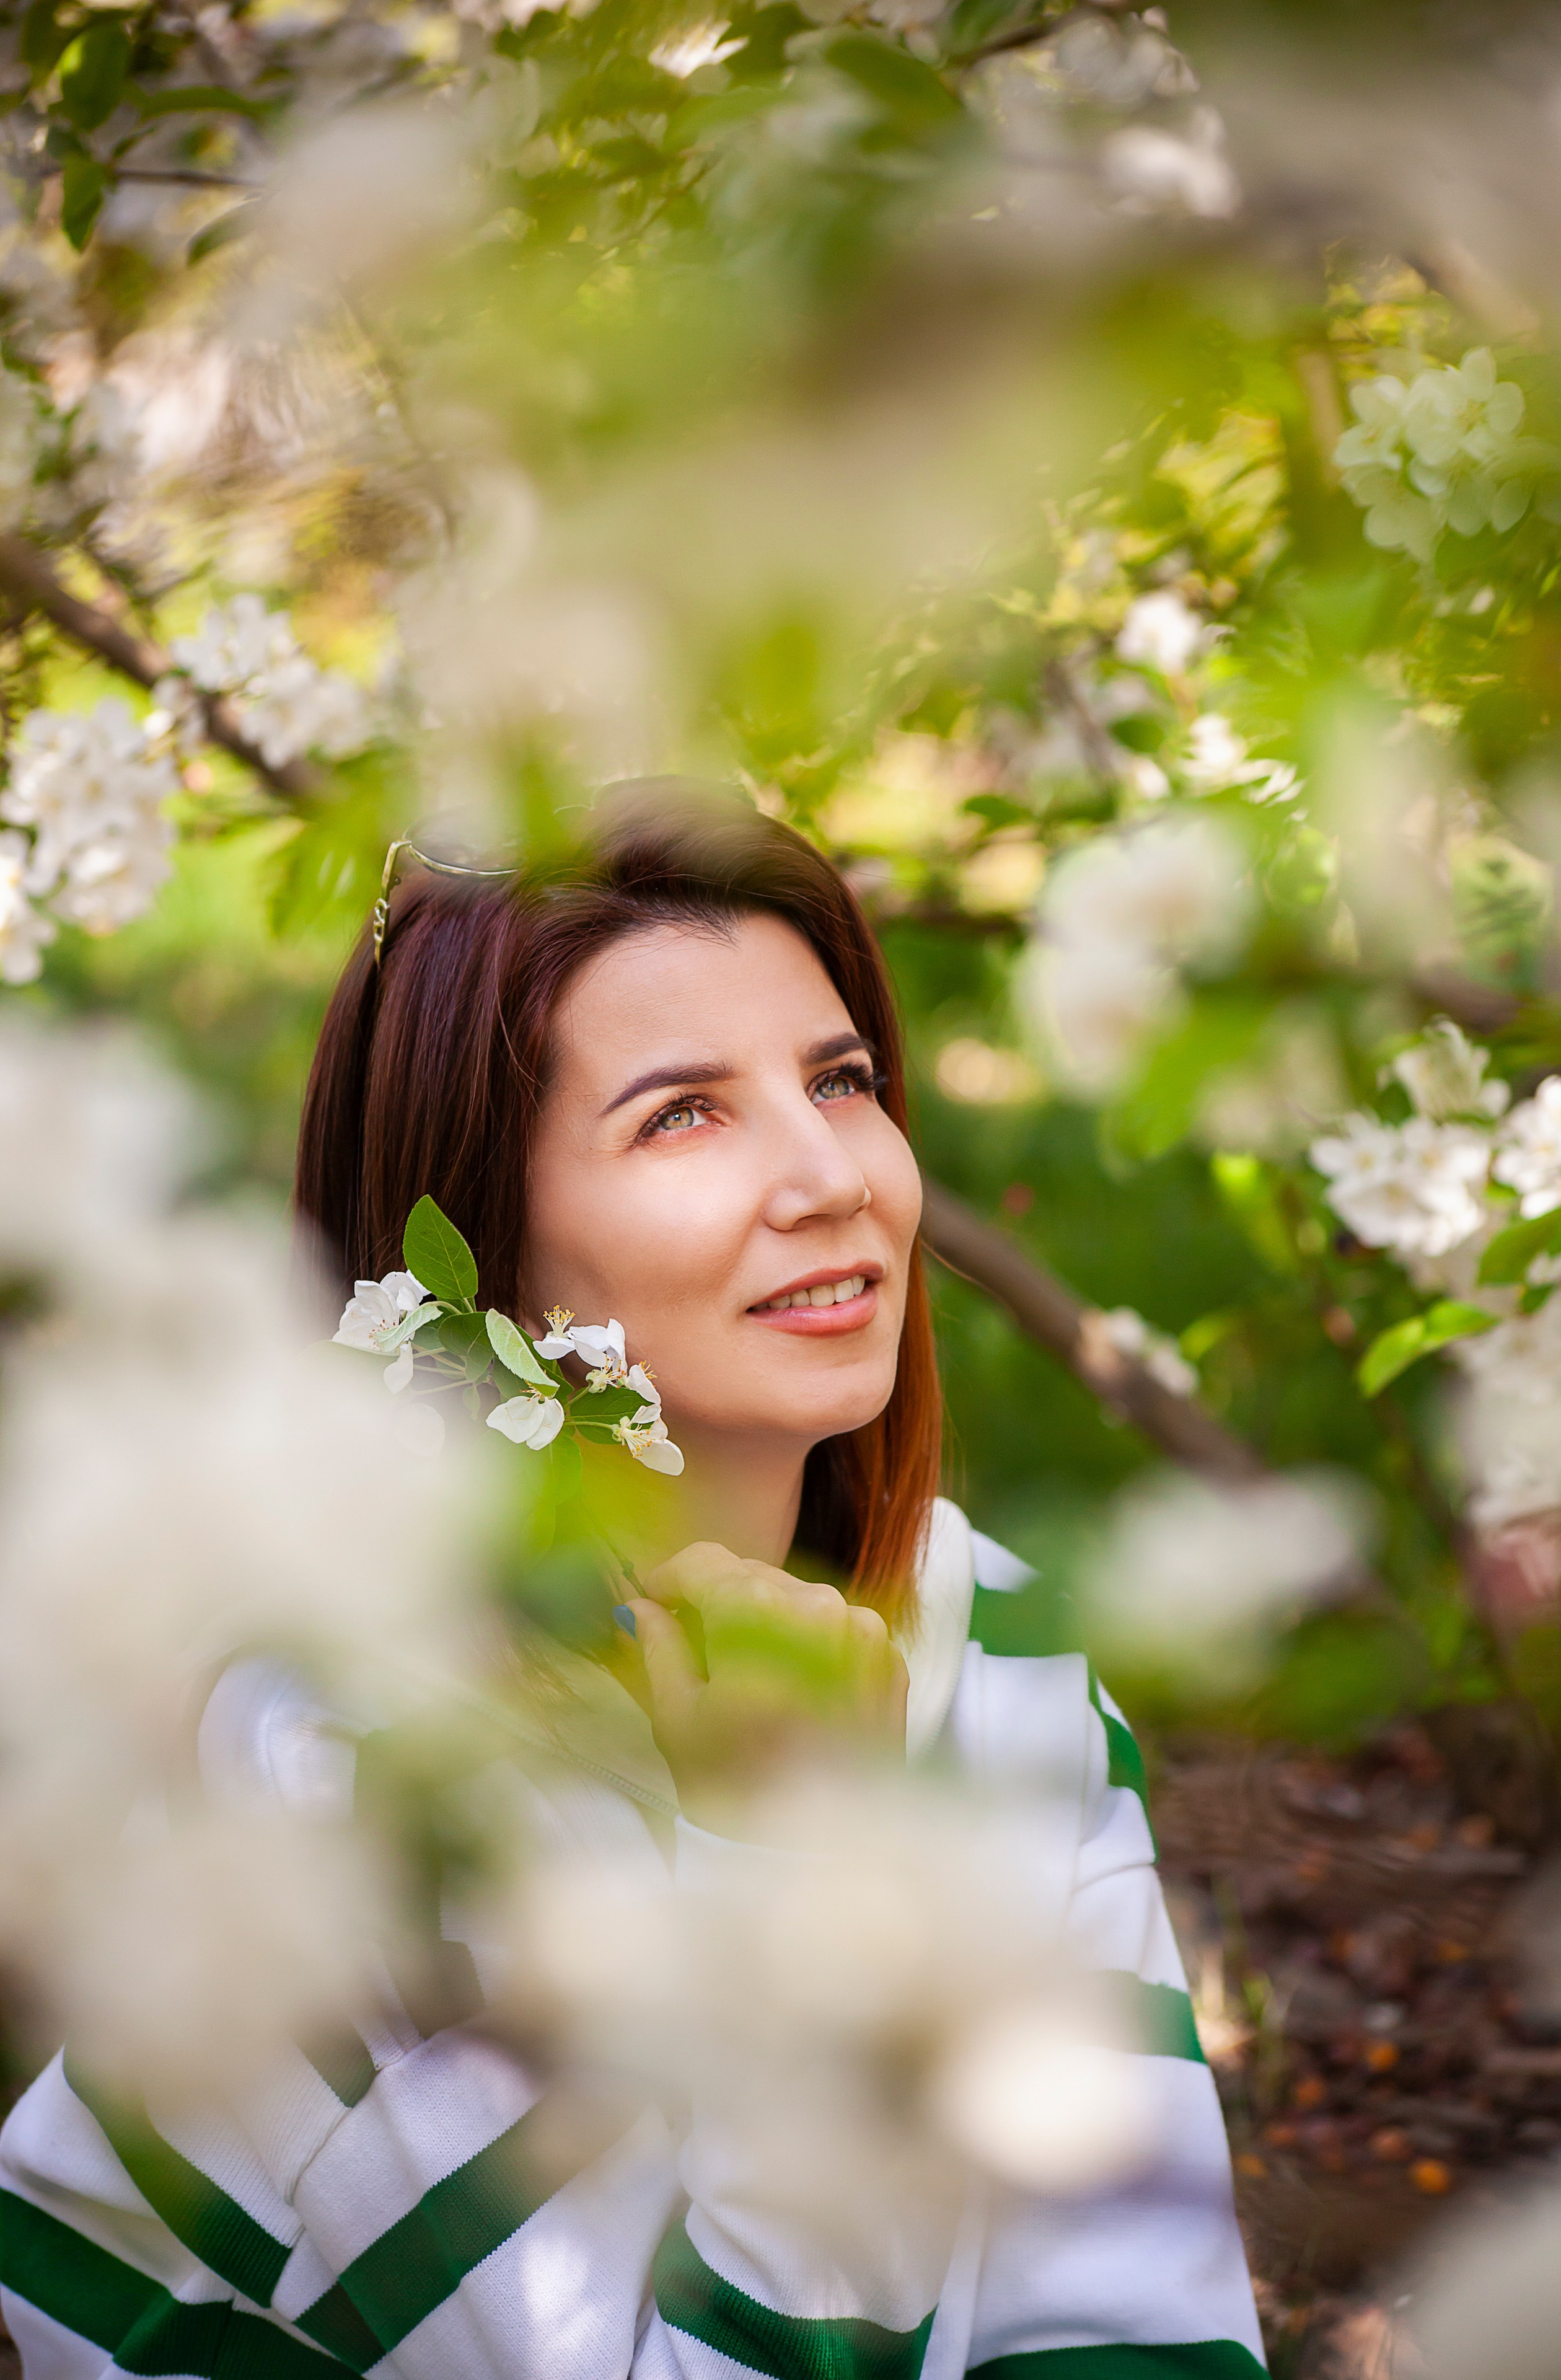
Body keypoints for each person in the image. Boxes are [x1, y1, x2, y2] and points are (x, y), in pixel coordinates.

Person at [0, 786, 1264, 2376]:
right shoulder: (354, 1771)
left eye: (841, 1080)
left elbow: (1125, 2317)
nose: (829, 1176)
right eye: (683, 1114)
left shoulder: (987, 1636)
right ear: (476, 1250)